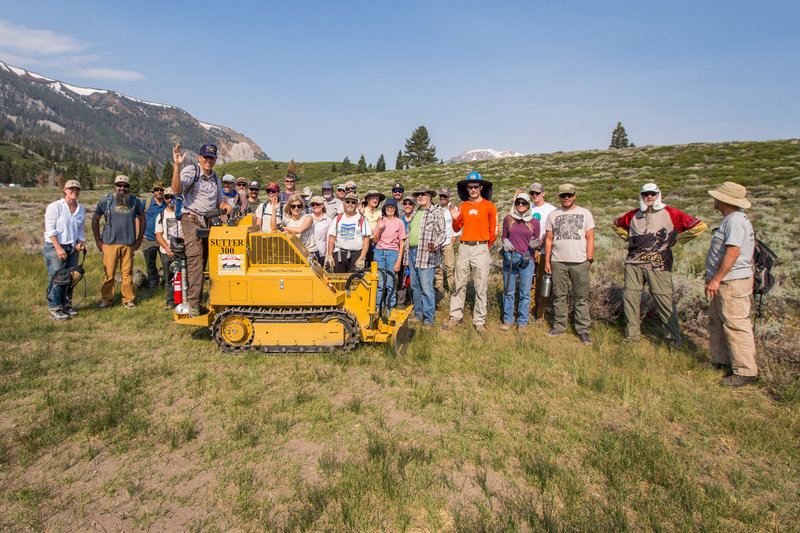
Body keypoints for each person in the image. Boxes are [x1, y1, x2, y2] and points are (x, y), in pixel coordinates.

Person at [612, 183, 708, 346]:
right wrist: (629, 237)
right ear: (641, 196)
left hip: (659, 264)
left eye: (652, 194)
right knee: (631, 298)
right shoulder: (634, 215)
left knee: (664, 300)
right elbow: (616, 224)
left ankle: (672, 339)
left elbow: (699, 226)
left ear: (658, 195)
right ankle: (632, 336)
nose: (649, 197)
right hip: (633, 263)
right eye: (645, 194)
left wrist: (677, 240)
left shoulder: (672, 213)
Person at [704, 182, 758, 387]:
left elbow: (733, 252)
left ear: (726, 201)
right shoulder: (730, 219)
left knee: (735, 324)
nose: (714, 199)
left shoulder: (735, 221)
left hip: (732, 281)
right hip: (724, 281)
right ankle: (720, 360)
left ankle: (746, 371)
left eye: (717, 196)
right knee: (718, 320)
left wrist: (717, 279)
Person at [170, 143, 231, 316]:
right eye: (205, 157)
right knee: (195, 260)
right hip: (191, 220)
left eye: (211, 158)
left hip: (209, 222)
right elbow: (176, 189)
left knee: (210, 261)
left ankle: (212, 300)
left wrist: (225, 204)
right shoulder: (191, 171)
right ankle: (194, 306)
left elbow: (219, 200)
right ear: (199, 157)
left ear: (215, 160)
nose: (208, 161)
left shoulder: (215, 178)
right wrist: (177, 166)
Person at [443, 172, 498, 334]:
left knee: (481, 285)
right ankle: (455, 316)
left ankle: (479, 320)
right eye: (470, 187)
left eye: (475, 187)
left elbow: (494, 230)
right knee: (459, 283)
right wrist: (454, 218)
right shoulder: (463, 206)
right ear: (466, 189)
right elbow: (456, 229)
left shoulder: (489, 206)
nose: (473, 189)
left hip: (481, 248)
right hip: (464, 247)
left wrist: (485, 246)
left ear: (481, 187)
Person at [544, 183, 595, 345]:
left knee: (581, 296)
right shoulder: (553, 215)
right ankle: (559, 326)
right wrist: (547, 260)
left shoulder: (585, 213)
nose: (566, 198)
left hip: (580, 261)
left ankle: (583, 329)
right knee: (559, 295)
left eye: (569, 195)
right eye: (563, 195)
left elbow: (590, 237)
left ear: (574, 195)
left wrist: (589, 259)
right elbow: (549, 239)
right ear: (559, 197)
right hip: (558, 261)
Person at [92, 174, 146, 309]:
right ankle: (106, 300)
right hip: (110, 243)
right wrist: (98, 241)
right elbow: (95, 219)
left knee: (127, 274)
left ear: (129, 188)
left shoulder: (134, 202)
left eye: (125, 186)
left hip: (128, 243)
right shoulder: (106, 201)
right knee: (109, 274)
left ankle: (128, 299)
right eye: (119, 185)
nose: (122, 188)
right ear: (114, 186)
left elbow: (142, 220)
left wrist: (139, 240)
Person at [43, 179, 86, 320]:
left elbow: (80, 231)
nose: (74, 191)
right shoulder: (54, 207)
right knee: (57, 277)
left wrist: (79, 242)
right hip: (55, 246)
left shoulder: (81, 210)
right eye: (71, 189)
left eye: (77, 189)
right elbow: (50, 229)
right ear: (65, 190)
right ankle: (55, 307)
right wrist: (58, 247)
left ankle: (66, 305)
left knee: (71, 278)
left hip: (72, 248)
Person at [406, 185, 447, 325]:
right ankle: (418, 315)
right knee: (415, 286)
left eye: (422, 194)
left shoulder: (436, 212)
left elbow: (442, 234)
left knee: (426, 288)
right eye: (418, 195)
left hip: (426, 254)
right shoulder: (416, 212)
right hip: (412, 253)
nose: (419, 197)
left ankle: (429, 319)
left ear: (429, 196)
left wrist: (434, 245)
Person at [501, 193, 541, 330]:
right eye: (518, 203)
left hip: (527, 260)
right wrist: (505, 242)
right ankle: (507, 320)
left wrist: (534, 245)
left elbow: (536, 240)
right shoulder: (508, 219)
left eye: (524, 203)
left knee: (525, 292)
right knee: (508, 291)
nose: (521, 205)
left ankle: (522, 321)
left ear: (529, 204)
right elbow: (504, 237)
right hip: (510, 259)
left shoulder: (534, 222)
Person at [527, 183, 557, 320]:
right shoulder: (528, 209)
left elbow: (551, 233)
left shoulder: (551, 210)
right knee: (530, 283)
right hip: (529, 252)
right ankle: (529, 311)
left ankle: (541, 314)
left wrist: (540, 248)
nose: (534, 196)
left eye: (537, 193)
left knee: (543, 283)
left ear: (543, 193)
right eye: (532, 193)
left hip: (545, 252)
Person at [372, 198, 407, 310]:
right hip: (379, 252)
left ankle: (389, 307)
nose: (390, 209)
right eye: (388, 207)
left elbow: (402, 242)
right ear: (385, 209)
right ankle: (378, 307)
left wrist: (399, 260)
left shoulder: (399, 222)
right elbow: (376, 240)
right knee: (380, 282)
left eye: (392, 207)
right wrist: (379, 228)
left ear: (395, 209)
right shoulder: (381, 220)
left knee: (390, 282)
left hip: (393, 253)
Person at [326, 193, 371, 273]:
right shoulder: (338, 218)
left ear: (357, 204)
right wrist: (329, 255)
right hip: (339, 254)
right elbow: (332, 238)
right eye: (348, 202)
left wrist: (362, 257)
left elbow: (366, 240)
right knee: (339, 281)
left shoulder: (362, 219)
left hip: (356, 255)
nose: (350, 204)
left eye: (353, 202)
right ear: (344, 203)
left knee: (354, 281)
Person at [154, 187, 183, 310]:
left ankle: (184, 300)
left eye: (172, 197)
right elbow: (158, 234)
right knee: (168, 277)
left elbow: (186, 231)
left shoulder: (182, 214)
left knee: (183, 276)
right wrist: (167, 247)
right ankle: (170, 302)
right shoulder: (161, 215)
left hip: (181, 250)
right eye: (167, 197)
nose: (170, 199)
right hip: (166, 251)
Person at [434, 186, 461, 294]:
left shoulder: (454, 209)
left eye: (445, 196)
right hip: (437, 243)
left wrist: (453, 240)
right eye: (441, 196)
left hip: (448, 242)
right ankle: (439, 289)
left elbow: (458, 226)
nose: (442, 198)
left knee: (450, 267)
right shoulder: (435, 208)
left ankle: (452, 289)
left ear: (449, 196)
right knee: (437, 267)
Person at [140, 182, 167, 288]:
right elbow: (137, 218)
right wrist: (140, 233)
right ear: (153, 191)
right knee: (150, 263)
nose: (159, 192)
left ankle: (166, 283)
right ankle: (153, 284)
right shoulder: (146, 203)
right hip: (149, 238)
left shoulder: (167, 203)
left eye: (161, 190)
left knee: (166, 263)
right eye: (157, 190)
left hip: (163, 238)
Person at [276, 193, 317, 257]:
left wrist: (283, 228)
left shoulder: (308, 218)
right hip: (294, 253)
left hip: (308, 252)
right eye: (293, 206)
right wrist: (274, 211)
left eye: (299, 206)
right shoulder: (286, 220)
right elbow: (274, 228)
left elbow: (299, 230)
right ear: (289, 207)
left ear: (302, 207)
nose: (296, 208)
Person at [396, 195, 416, 308]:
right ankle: (401, 302)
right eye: (405, 204)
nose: (407, 206)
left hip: (413, 251)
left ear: (414, 205)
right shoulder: (400, 219)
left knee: (413, 279)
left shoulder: (416, 217)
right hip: (401, 252)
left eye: (410, 204)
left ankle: (414, 302)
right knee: (402, 278)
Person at [363, 190, 385, 265]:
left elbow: (380, 226)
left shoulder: (379, 212)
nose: (375, 200)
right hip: (364, 242)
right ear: (367, 199)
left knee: (374, 266)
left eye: (377, 199)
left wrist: (376, 229)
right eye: (373, 198)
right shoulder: (362, 211)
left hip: (375, 243)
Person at [309, 195, 331, 263]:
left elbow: (328, 240)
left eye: (317, 204)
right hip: (309, 253)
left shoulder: (328, 221)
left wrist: (327, 257)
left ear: (322, 205)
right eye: (313, 204)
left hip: (321, 255)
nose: (315, 206)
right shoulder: (308, 218)